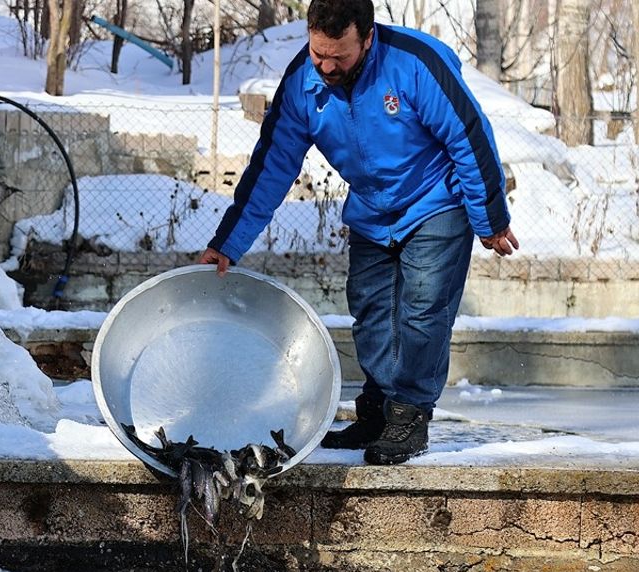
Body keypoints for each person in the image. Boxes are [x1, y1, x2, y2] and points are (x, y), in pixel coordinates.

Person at [197, 0, 518, 465]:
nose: (326, 66)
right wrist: (227, 243)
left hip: (436, 202)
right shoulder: (302, 84)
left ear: (367, 38)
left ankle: (409, 415)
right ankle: (377, 413)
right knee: (371, 314)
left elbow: (469, 136)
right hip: (372, 209)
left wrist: (489, 219)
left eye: (339, 57)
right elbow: (272, 166)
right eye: (318, 53)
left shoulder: (413, 64)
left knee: (423, 310)